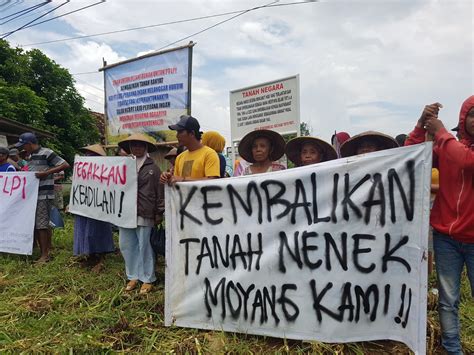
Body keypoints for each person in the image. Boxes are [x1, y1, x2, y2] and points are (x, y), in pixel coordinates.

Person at [405, 97, 474, 354]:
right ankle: (452, 349)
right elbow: (411, 154)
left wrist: (442, 133)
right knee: (447, 301)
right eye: (472, 114)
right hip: (446, 238)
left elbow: (467, 161)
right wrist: (422, 124)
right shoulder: (447, 146)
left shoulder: (450, 145)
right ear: (463, 118)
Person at [118, 134, 164, 294]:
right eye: (134, 145)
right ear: (130, 147)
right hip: (125, 211)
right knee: (126, 244)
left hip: (145, 210)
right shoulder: (123, 165)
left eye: (140, 145)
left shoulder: (153, 168)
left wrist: (159, 212)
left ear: (145, 148)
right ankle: (133, 275)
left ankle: (148, 278)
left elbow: (160, 191)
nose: (137, 147)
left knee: (144, 245)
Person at [14, 132, 69, 263]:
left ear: (29, 143)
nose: (23, 148)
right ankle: (47, 249)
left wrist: (46, 173)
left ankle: (45, 256)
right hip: (34, 193)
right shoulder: (30, 156)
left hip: (43, 193)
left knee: (41, 224)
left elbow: (65, 164)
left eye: (24, 145)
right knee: (41, 222)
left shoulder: (47, 152)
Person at [73, 144, 115, 273]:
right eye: (86, 153)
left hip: (99, 202)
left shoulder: (106, 168)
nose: (87, 156)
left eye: (91, 154)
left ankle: (101, 255)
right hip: (85, 202)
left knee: (98, 228)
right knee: (85, 228)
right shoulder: (81, 168)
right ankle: (90, 254)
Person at [160, 115, 220, 184]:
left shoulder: (209, 154)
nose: (177, 135)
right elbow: (176, 181)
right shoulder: (179, 157)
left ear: (192, 133)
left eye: (180, 132)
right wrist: (168, 178)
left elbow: (213, 181)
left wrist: (183, 179)